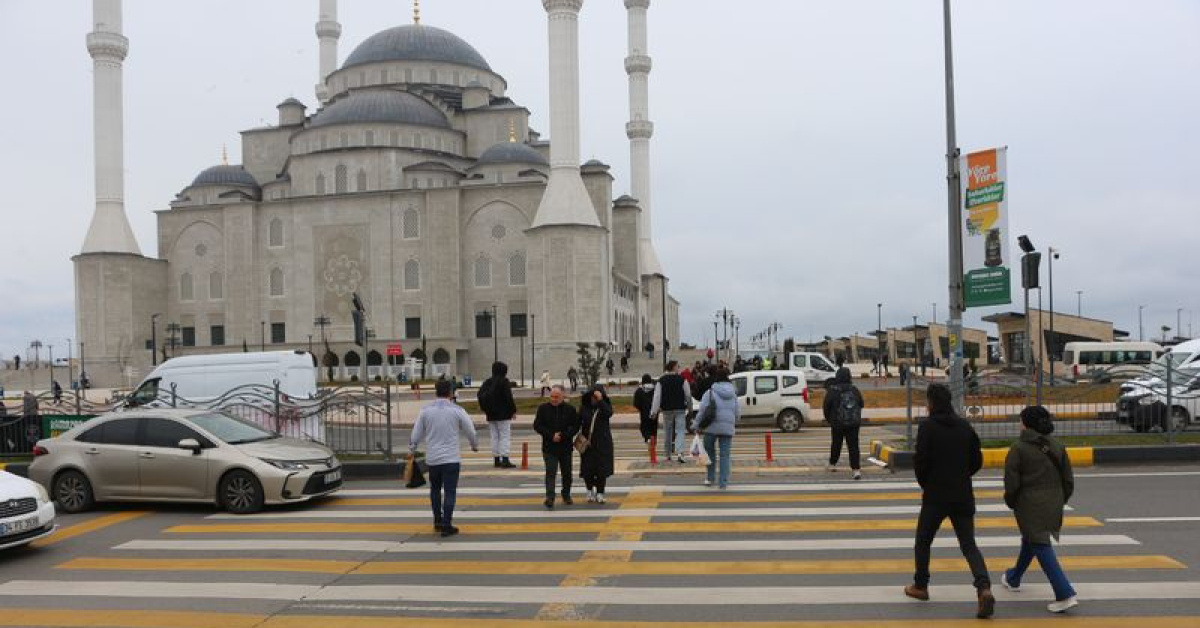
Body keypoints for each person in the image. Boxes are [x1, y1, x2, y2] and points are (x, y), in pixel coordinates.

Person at [906, 383, 994, 619]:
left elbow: (920, 462)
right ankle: (983, 587)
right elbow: (977, 460)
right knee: (968, 545)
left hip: (936, 495)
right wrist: (961, 476)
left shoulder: (928, 428)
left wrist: (928, 483)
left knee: (923, 542)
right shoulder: (965, 427)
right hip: (962, 494)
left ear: (932, 403)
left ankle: (921, 586)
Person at [1002, 406, 1079, 613]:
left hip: (1029, 504)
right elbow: (1068, 480)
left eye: (1020, 421)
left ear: (1026, 424)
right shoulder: (1057, 445)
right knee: (1031, 540)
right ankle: (1013, 577)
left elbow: (1011, 483)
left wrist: (1011, 501)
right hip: (1054, 501)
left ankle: (1065, 593)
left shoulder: (1018, 448)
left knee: (1040, 545)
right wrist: (1060, 499)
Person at [408, 379, 479, 537]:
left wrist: (412, 449)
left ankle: (438, 520)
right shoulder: (458, 410)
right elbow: (471, 431)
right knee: (450, 491)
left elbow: (416, 434)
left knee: (435, 490)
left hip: (433, 460)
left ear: (436, 391)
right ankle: (447, 524)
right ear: (451, 392)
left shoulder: (425, 411)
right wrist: (474, 445)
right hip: (451, 459)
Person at [533, 385, 581, 509]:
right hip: (549, 447)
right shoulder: (543, 409)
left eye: (556, 397)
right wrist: (551, 435)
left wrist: (563, 435)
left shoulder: (570, 409)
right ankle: (550, 497)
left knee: (567, 474)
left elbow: (575, 426)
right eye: (552, 396)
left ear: (562, 397)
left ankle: (566, 495)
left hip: (565, 447)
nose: (554, 399)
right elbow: (537, 425)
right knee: (550, 472)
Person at [693, 366, 739, 488]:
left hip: (711, 427)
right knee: (725, 455)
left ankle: (710, 478)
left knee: (709, 453)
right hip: (727, 427)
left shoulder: (710, 392)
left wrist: (696, 425)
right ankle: (723, 482)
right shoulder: (733, 393)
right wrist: (734, 422)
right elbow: (737, 411)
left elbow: (702, 410)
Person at [822, 368, 864, 480]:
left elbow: (826, 406)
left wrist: (830, 420)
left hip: (837, 423)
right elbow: (861, 404)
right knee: (854, 446)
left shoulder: (833, 390)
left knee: (836, 444)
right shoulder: (854, 389)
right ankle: (856, 470)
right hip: (853, 424)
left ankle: (832, 464)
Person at [650, 360, 692, 463]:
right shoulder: (682, 379)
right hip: (680, 409)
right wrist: (690, 407)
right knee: (680, 430)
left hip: (666, 409)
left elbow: (657, 397)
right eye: (678, 366)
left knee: (667, 432)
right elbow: (688, 395)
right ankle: (680, 453)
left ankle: (668, 455)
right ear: (673, 367)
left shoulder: (661, 380)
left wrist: (654, 411)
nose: (679, 368)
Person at [578, 384, 615, 503]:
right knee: (587, 469)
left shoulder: (604, 406)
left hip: (603, 443)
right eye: (592, 396)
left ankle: (600, 492)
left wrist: (600, 401)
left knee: (601, 470)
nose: (593, 398)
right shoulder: (584, 408)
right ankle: (589, 491)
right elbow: (577, 422)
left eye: (596, 396)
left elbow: (609, 413)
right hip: (588, 444)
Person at [479, 361, 518, 469]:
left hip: (491, 414)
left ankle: (496, 459)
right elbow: (508, 398)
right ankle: (505, 459)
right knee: (504, 436)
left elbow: (480, 395)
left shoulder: (488, 382)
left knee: (494, 436)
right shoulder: (504, 382)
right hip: (504, 414)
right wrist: (513, 410)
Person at [633, 374, 657, 443]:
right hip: (654, 412)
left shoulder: (639, 391)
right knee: (653, 427)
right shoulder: (655, 389)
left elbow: (636, 403)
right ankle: (653, 439)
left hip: (644, 412)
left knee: (644, 427)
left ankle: (647, 438)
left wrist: (640, 408)